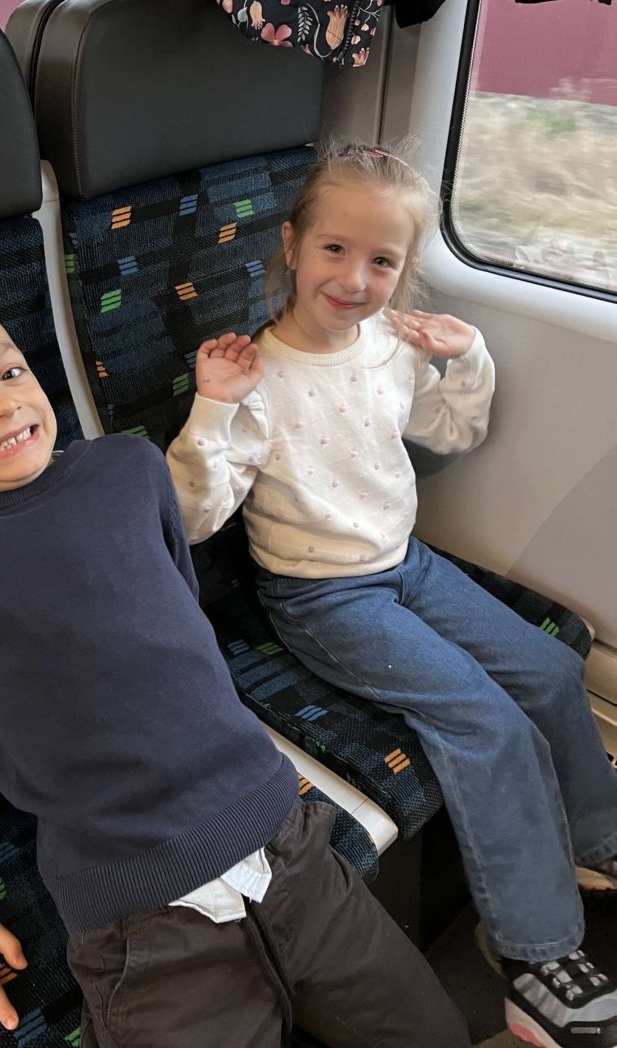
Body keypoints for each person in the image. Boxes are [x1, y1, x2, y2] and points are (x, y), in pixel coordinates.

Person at [0, 292, 471, 1048]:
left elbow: (180, 611)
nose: (0, 402)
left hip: (286, 842)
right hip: (141, 916)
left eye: (10, 371)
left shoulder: (129, 466)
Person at [166, 145, 617, 1048]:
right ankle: (533, 950)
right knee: (484, 721)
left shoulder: (390, 347)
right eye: (334, 250)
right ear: (291, 246)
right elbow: (193, 518)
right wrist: (212, 407)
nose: (354, 279)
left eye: (382, 261)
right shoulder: (257, 379)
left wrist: (468, 356)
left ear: (403, 271)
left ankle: (597, 839)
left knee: (547, 667)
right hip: (322, 596)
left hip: (406, 562)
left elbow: (452, 432)